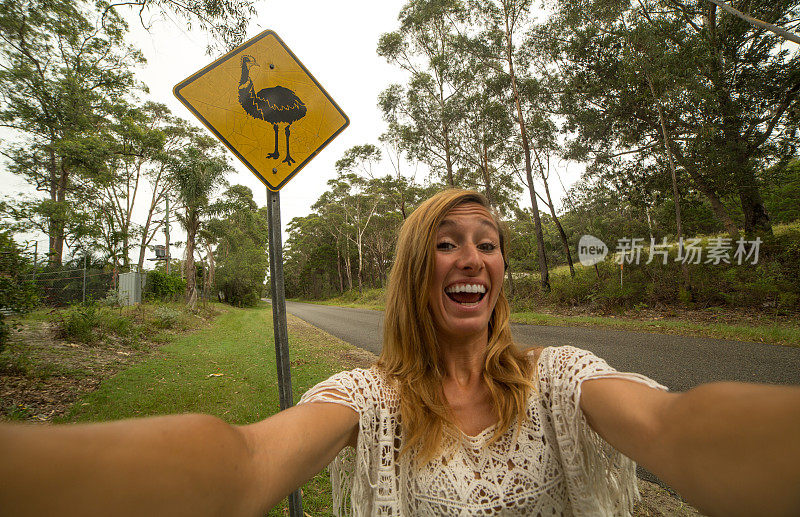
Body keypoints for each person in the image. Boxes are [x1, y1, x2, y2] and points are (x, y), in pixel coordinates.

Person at [1, 188, 798, 516]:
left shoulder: (557, 378)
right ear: (419, 273)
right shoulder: (373, 398)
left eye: (486, 243)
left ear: (499, 272)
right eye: (447, 243)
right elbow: (243, 461)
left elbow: (674, 427)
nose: (471, 257)